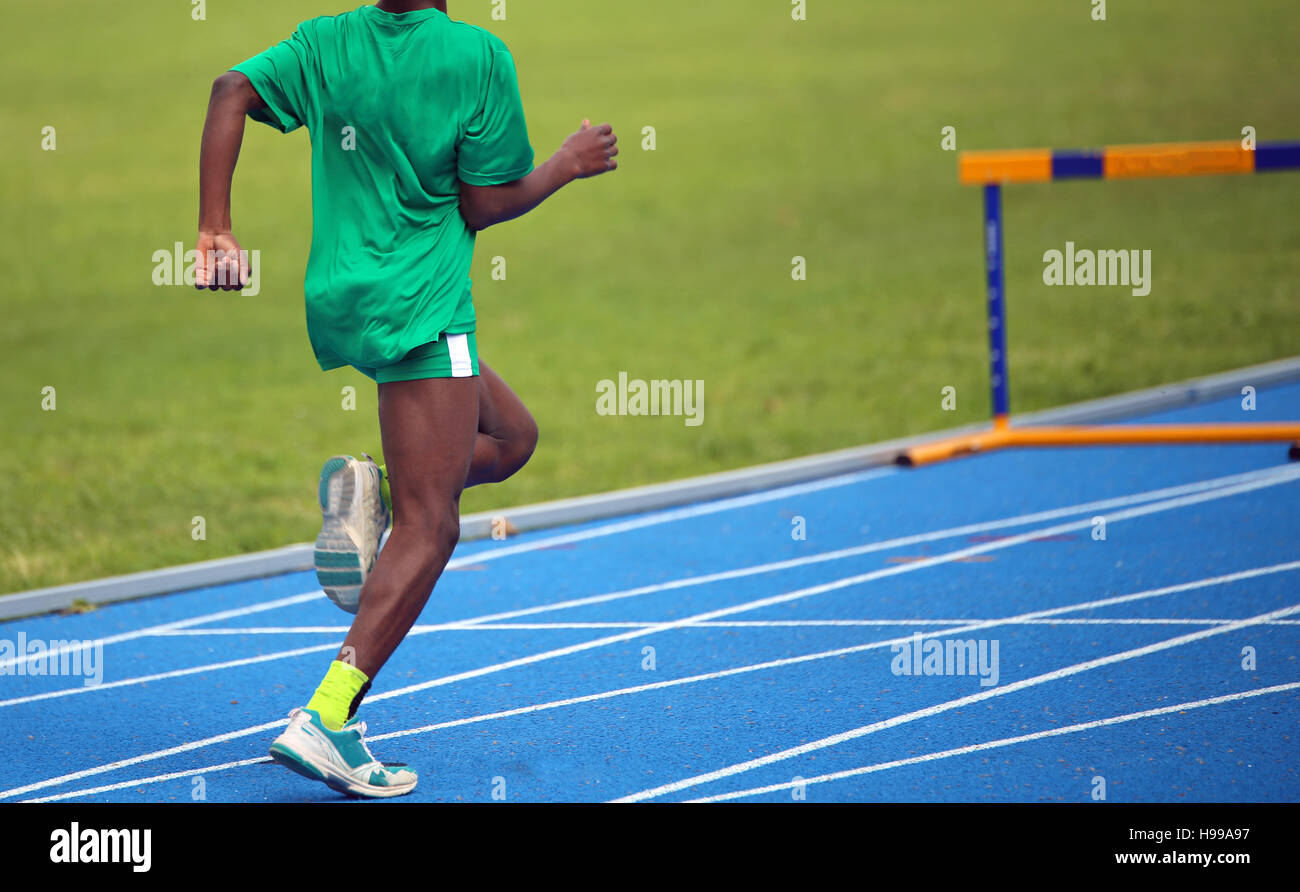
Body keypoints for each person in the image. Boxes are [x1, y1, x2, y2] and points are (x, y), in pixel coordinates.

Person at [195, 0, 618, 798]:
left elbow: (228, 91)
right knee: (435, 523)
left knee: (515, 439)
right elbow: (482, 203)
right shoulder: (475, 56)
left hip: (347, 296)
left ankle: (377, 496)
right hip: (423, 308)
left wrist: (216, 226)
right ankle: (327, 715)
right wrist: (566, 163)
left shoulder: (327, 40)